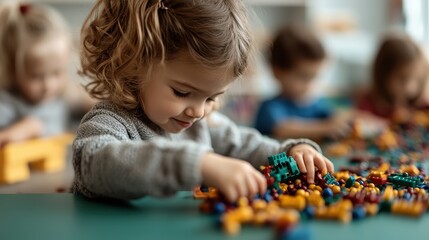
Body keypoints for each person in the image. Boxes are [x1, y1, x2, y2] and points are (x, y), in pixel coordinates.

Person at [73, 0, 334, 202]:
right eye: (182, 92)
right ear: (132, 63)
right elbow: (94, 163)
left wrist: (290, 153)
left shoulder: (202, 124)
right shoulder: (109, 121)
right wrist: (198, 164)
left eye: (212, 97)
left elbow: (247, 146)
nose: (198, 111)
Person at [0, 1, 93, 147]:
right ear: (14, 70)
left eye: (57, 73)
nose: (48, 85)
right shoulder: (7, 102)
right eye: (36, 76)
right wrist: (20, 131)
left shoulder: (64, 96)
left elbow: (91, 104)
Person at [255, 24, 351, 141]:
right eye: (304, 77)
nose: (310, 84)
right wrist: (327, 128)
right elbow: (283, 128)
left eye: (314, 77)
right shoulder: (270, 107)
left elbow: (338, 116)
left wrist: (344, 120)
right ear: (278, 72)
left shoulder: (315, 105)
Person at [355, 32, 429, 124]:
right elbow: (360, 121)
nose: (410, 88)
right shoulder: (368, 103)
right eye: (403, 79)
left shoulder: (421, 105)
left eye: (418, 79)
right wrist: (392, 121)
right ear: (383, 74)